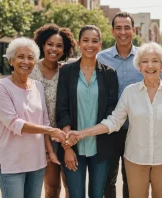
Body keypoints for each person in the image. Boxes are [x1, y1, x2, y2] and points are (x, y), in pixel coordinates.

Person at [66, 42, 162, 198]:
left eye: (155, 61)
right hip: (135, 158)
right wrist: (82, 133)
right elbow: (114, 121)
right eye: (145, 61)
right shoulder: (130, 92)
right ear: (139, 67)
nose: (150, 65)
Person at [0, 23, 76, 198]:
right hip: (40, 139)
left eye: (59, 45)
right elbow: (14, 84)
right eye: (50, 44)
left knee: (71, 187)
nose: (54, 49)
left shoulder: (66, 71)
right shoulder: (31, 69)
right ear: (42, 45)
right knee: (51, 188)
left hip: (65, 135)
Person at [97, 12, 162, 198]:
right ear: (112, 31)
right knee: (108, 179)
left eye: (127, 27)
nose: (123, 32)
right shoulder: (101, 58)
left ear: (133, 30)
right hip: (110, 129)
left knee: (132, 180)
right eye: (118, 28)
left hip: (138, 130)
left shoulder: (146, 58)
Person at [56, 25, 119, 198]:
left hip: (101, 147)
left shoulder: (109, 74)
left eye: (94, 41)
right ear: (78, 43)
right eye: (85, 40)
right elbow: (62, 109)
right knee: (76, 195)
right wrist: (67, 147)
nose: (89, 45)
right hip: (73, 146)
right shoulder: (67, 72)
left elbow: (111, 112)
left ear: (100, 44)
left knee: (97, 194)